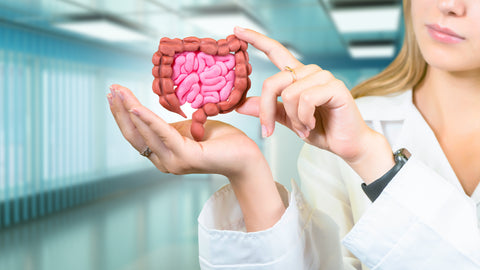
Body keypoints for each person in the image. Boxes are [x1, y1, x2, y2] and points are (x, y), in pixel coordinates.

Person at [107, 0, 480, 268]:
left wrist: (373, 161)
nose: (449, 5)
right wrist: (247, 172)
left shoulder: (356, 139)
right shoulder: (342, 124)